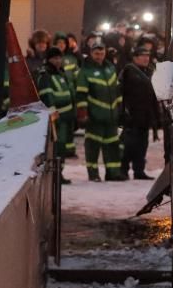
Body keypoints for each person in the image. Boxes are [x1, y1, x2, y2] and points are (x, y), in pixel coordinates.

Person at [75, 39, 124, 182]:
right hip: (94, 116)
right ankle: (93, 173)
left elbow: (117, 91)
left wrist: (120, 110)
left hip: (111, 117)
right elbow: (81, 94)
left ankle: (113, 173)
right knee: (93, 146)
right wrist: (83, 114)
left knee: (112, 145)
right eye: (96, 53)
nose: (99, 56)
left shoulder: (110, 68)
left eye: (101, 53)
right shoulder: (85, 71)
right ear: (91, 53)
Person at [35, 48, 75, 184]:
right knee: (56, 148)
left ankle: (59, 174)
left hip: (66, 118)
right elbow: (47, 96)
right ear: (49, 60)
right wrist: (53, 116)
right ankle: (54, 176)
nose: (58, 61)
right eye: (55, 58)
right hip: (56, 119)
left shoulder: (61, 73)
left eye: (59, 58)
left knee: (62, 147)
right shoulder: (45, 75)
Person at [120, 46, 160, 180]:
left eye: (147, 56)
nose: (146, 58)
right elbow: (122, 93)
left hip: (145, 116)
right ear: (135, 58)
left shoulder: (148, 72)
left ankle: (139, 170)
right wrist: (124, 111)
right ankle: (123, 170)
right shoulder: (129, 71)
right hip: (132, 116)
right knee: (129, 144)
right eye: (142, 56)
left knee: (142, 145)